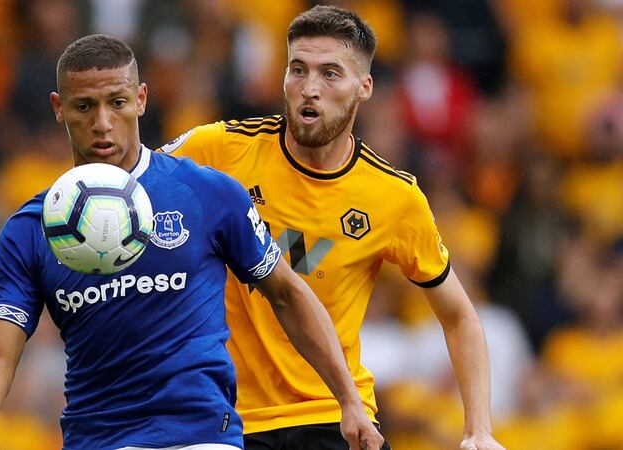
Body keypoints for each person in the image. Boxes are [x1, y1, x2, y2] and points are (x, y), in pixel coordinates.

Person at [0, 34, 381, 450]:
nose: (102, 123)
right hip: (97, 439)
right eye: (84, 107)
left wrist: (349, 400)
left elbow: (288, 292)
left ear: (141, 99)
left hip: (202, 436)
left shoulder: (207, 194)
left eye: (117, 103)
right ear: (58, 108)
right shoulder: (29, 228)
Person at [160, 5, 505, 450]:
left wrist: (478, 430)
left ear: (364, 88)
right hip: (229, 418)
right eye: (298, 70)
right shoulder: (219, 150)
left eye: (330, 74)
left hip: (337, 415)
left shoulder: (393, 197)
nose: (309, 89)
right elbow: (127, 188)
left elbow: (459, 317)